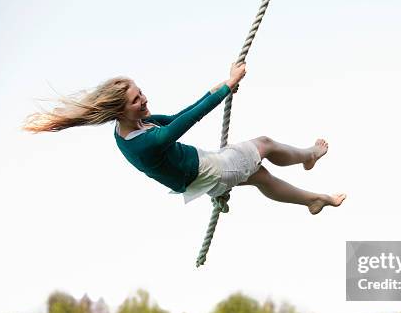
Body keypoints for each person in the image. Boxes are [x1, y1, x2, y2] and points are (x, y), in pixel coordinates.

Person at [23, 63, 346, 214]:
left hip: (198, 175)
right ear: (118, 110)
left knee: (261, 177)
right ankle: (308, 156)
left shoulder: (129, 127)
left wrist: (218, 87)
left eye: (141, 93)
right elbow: (191, 120)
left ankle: (313, 200)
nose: (145, 101)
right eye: (137, 100)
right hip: (208, 171)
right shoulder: (146, 141)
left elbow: (180, 114)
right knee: (263, 144)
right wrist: (227, 86)